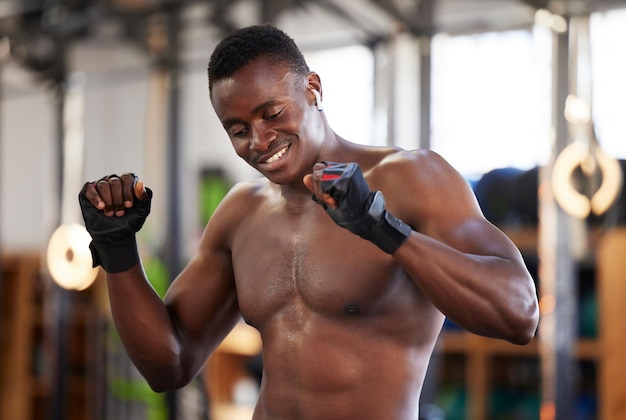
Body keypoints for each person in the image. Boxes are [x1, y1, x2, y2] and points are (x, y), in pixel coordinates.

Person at [79, 24, 539, 420]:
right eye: (238, 130)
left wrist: (382, 227)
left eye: (272, 113)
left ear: (313, 89)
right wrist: (119, 254)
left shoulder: (410, 178)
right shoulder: (242, 214)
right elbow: (169, 365)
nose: (259, 140)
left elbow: (519, 314)